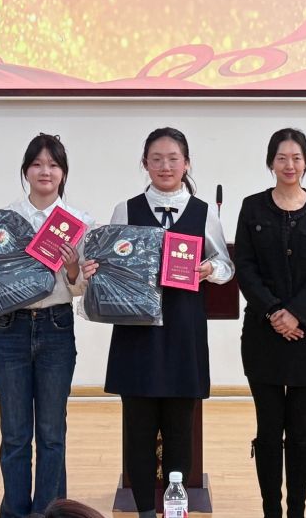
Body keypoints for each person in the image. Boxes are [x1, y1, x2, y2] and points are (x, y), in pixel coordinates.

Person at [82, 127, 233, 518]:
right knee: (139, 428)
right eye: (156, 159)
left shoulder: (204, 212)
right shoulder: (126, 209)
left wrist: (209, 270)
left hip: (184, 332)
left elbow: (226, 265)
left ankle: (175, 509)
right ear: (145, 164)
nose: (165, 166)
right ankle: (146, 510)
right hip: (137, 335)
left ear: (187, 163)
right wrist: (96, 269)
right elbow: (109, 262)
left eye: (173, 158)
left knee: (181, 428)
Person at [0, 133, 95, 518]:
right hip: (11, 330)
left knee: (52, 434)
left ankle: (50, 513)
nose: (45, 171)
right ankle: (16, 513)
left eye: (53, 164)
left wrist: (73, 269)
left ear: (63, 172)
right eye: (37, 164)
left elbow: (81, 290)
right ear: (25, 171)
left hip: (56, 327)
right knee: (15, 435)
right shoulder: (2, 223)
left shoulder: (80, 223)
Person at [234, 128, 306, 518]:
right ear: (271, 162)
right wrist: (275, 312)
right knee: (267, 429)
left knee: (299, 431)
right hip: (262, 336)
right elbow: (245, 267)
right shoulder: (252, 208)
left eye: (296, 157)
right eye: (282, 158)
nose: (289, 165)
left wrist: (296, 314)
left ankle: (297, 510)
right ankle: (270, 511)